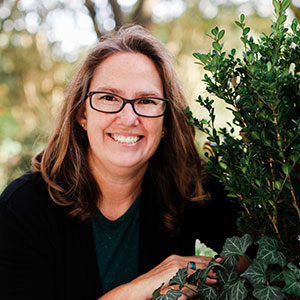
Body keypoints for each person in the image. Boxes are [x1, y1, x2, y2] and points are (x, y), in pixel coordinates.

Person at [0, 25, 240, 300]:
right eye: (108, 98)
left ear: (165, 124)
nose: (128, 118)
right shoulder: (23, 208)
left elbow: (259, 256)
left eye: (147, 101)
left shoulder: (188, 184)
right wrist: (142, 288)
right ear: (82, 114)